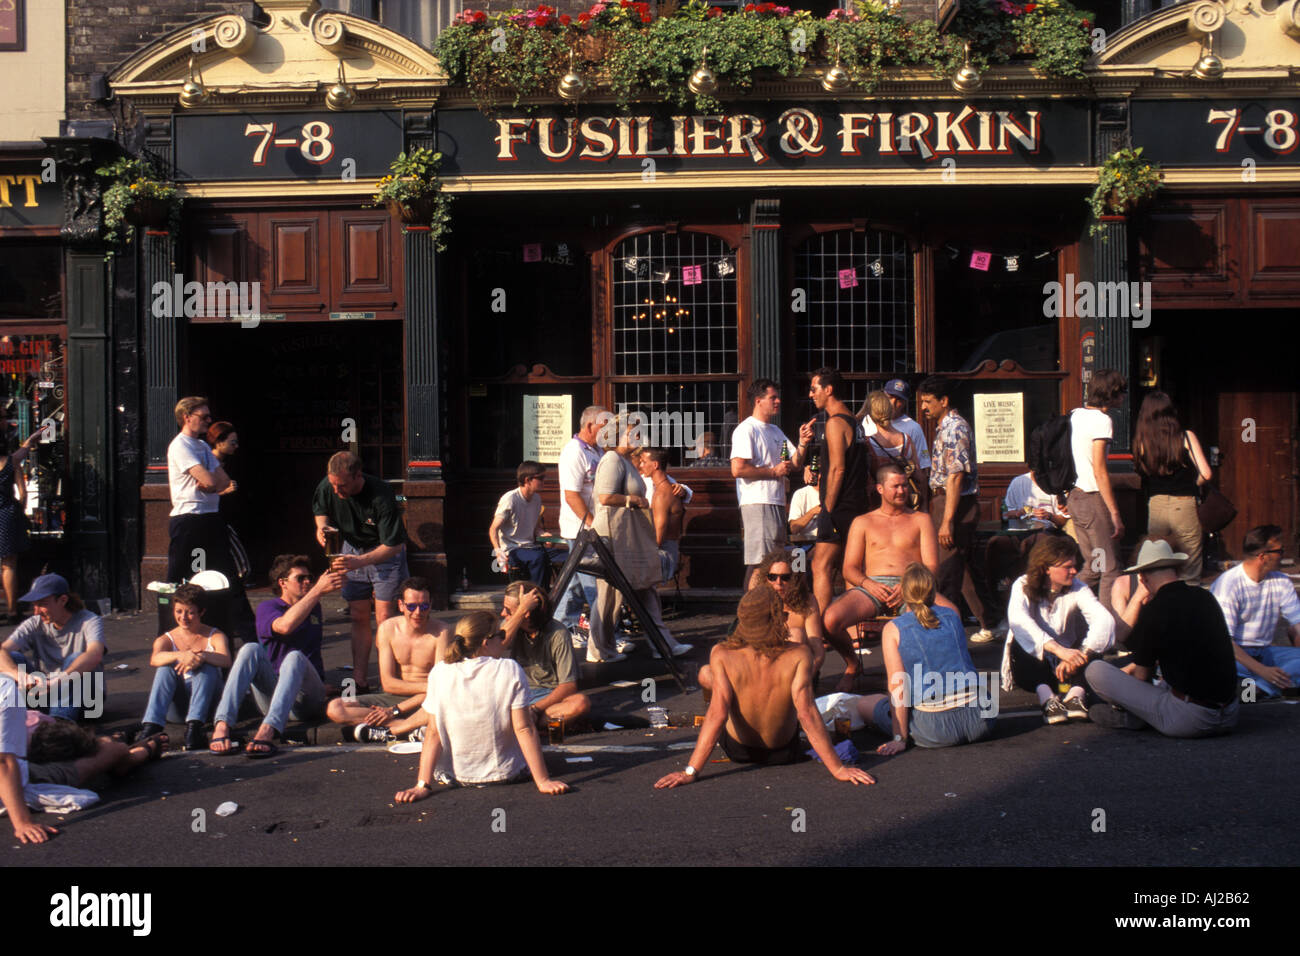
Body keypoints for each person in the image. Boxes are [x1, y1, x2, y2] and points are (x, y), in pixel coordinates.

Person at [654, 587, 875, 787]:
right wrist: (837, 768)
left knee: (709, 677)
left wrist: (690, 771)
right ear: (779, 618)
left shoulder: (722, 653)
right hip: (783, 752)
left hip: (738, 750)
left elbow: (717, 714)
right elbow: (806, 714)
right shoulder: (799, 654)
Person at [394, 611, 568, 799]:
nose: (503, 639)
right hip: (506, 773)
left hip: (454, 775)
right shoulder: (509, 668)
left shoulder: (440, 671)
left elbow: (433, 733)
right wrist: (543, 781)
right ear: (486, 642)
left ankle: (401, 731)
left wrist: (422, 785)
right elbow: (524, 728)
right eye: (500, 635)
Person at [1085, 540, 1239, 735]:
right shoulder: (1205, 597)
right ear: (1175, 569)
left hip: (1190, 718)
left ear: (1143, 579)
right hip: (1230, 714)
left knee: (1095, 670)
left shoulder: (1154, 610)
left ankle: (1135, 717)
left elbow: (1142, 676)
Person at [822, 464, 949, 693]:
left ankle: (928, 673)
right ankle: (852, 665)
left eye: (904, 486)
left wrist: (909, 586)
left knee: (952, 614)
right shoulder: (863, 521)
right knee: (830, 620)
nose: (902, 491)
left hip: (912, 586)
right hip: (872, 587)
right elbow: (849, 568)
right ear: (880, 489)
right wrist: (868, 583)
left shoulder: (921, 519)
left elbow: (931, 566)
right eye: (896, 486)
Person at [850, 563, 996, 751]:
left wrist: (899, 738)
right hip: (982, 718)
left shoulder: (894, 629)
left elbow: (898, 687)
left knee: (864, 704)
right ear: (934, 591)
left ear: (903, 593)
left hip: (936, 728)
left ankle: (902, 728)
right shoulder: (952, 615)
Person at [209, 555, 344, 757]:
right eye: (300, 578)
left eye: (310, 578)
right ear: (283, 583)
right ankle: (222, 724)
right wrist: (317, 590)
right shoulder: (268, 608)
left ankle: (267, 731)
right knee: (250, 649)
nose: (307, 582)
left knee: (295, 657)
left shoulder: (313, 606)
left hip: (306, 699)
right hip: (273, 697)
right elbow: (284, 626)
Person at [589, 416, 692, 662]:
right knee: (610, 596)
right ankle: (599, 650)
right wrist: (632, 500)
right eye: (634, 433)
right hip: (613, 537)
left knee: (645, 589)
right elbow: (604, 497)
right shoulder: (612, 459)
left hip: (629, 536)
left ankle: (663, 644)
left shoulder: (624, 461)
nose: (639, 438)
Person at [313, 451, 408, 693]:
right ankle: (360, 678)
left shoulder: (381, 493)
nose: (336, 491)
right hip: (350, 547)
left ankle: (391, 679)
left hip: (382, 551)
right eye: (333, 484)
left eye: (342, 485)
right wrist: (322, 530)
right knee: (358, 615)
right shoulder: (329, 484)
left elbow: (394, 544)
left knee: (385, 618)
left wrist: (360, 562)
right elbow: (320, 513)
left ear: (357, 476)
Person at [1000, 535, 1115, 724]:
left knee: (1095, 646)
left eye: (1074, 565)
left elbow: (1104, 620)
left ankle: (1075, 697)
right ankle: (1048, 700)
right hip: (1032, 665)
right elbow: (1018, 620)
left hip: (1067, 666)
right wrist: (1059, 650)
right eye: (1067, 566)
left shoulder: (1079, 588)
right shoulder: (1022, 584)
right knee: (1022, 641)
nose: (1074, 571)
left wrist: (1080, 656)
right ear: (1046, 568)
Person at [918, 376, 997, 644]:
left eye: (928, 402)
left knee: (947, 570)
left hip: (954, 504)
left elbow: (955, 477)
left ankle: (946, 635)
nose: (923, 407)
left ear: (944, 401)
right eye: (922, 402)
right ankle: (991, 620)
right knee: (962, 569)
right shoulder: (945, 427)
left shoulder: (954, 429)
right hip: (946, 502)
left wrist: (947, 521)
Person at [325, 576, 449, 743]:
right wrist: (394, 708)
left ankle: (396, 729)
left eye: (424, 606)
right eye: (411, 606)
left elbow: (440, 689)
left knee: (444, 703)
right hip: (395, 696)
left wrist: (393, 711)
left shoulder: (442, 632)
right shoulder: (388, 629)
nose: (418, 612)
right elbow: (388, 683)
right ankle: (411, 729)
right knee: (336, 708)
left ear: (431, 605)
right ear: (401, 605)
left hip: (427, 700)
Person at [731, 378, 812, 587]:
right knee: (760, 563)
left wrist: (803, 443)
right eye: (772, 397)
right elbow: (738, 469)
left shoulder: (775, 432)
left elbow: (794, 463)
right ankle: (750, 613)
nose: (778, 401)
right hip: (757, 502)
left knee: (773, 561)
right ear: (758, 400)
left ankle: (763, 609)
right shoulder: (746, 429)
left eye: (778, 397)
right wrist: (773, 471)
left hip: (775, 502)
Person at [138, 583, 232, 751]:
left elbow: (226, 660)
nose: (184, 617)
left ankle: (195, 728)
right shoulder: (166, 639)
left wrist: (201, 656)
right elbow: (154, 659)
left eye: (190, 612)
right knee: (165, 668)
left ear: (201, 612)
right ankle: (151, 726)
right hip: (179, 708)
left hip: (209, 704)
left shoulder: (215, 635)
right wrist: (180, 655)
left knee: (206, 666)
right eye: (179, 611)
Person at [1210, 524, 1300, 699]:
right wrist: (1263, 671)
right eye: (1279, 552)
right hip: (1234, 655)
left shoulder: (1282, 581)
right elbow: (1224, 641)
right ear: (1263, 557)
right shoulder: (1229, 585)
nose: (1283, 556)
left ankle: (1255, 690)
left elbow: (1297, 624)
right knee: (1214, 668)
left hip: (1265, 652)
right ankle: (1267, 686)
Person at [0, 574, 105, 721]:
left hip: (87, 699)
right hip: (46, 693)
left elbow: (95, 654)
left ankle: (59, 722)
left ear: (62, 600)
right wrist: (19, 675)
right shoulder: (35, 622)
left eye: (42, 604)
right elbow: (2, 651)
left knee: (77, 658)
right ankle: (7, 717)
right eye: (34, 605)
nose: (36, 611)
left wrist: (60, 679)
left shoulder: (89, 620)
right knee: (10, 658)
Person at [1133, 391, 1212, 583]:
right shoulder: (1185, 437)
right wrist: (1193, 485)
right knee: (1190, 564)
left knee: (1158, 561)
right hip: (1184, 504)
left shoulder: (1141, 442)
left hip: (1156, 505)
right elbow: (1206, 473)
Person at [1068, 369, 1128, 611]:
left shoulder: (1074, 415)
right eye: (1121, 391)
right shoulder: (1102, 421)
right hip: (1093, 497)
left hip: (1074, 495)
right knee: (1110, 568)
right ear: (1111, 393)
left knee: (1093, 565)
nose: (1124, 396)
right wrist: (1114, 512)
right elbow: (1100, 470)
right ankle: (1107, 633)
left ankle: (1058, 609)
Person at [553, 405, 608, 649]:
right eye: (605, 428)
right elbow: (572, 495)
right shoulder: (574, 452)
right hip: (582, 530)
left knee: (574, 581)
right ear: (588, 426)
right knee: (595, 583)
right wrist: (592, 525)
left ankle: (562, 628)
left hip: (591, 527)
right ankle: (605, 636)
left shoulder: (597, 450)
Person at [502, 580, 594, 727]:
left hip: (546, 697)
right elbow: (499, 644)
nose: (503, 614)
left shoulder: (558, 633)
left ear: (527, 614)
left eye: (507, 610)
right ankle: (530, 724)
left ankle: (522, 723)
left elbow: (568, 686)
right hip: (516, 694)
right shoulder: (512, 628)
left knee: (580, 703)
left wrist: (535, 709)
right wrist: (519, 612)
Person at [166, 397, 234, 586]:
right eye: (204, 416)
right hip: (190, 518)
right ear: (187, 417)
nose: (209, 421)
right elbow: (212, 480)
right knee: (185, 575)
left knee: (219, 574)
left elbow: (224, 482)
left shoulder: (203, 446)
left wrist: (210, 483)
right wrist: (211, 482)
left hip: (210, 516)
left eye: (209, 416)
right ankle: (174, 613)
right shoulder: (180, 445)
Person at [985, 469, 1072, 613]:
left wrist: (1049, 516)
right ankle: (995, 600)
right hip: (1017, 530)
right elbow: (1006, 514)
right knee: (995, 543)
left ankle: (1038, 596)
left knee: (1038, 543)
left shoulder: (1055, 484)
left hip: (1046, 531)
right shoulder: (1018, 482)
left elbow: (1062, 520)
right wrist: (1021, 513)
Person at [0, 672, 59, 845]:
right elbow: (3, 762)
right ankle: (137, 750)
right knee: (103, 754)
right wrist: (22, 822)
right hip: (15, 777)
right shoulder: (4, 688)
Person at [489, 461, 565, 586]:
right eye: (540, 478)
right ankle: (537, 596)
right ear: (528, 480)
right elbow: (493, 529)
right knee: (539, 557)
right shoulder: (510, 499)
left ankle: (560, 595)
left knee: (568, 557)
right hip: (514, 548)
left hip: (532, 547)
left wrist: (544, 534)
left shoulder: (536, 499)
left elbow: (535, 528)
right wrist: (498, 551)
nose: (544, 481)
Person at [0, 432, 38, 623]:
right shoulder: (10, 462)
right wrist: (20, 512)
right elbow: (22, 494)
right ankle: (13, 610)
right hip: (7, 515)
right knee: (9, 564)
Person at [863, 389, 923, 509]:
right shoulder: (906, 440)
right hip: (903, 503)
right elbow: (919, 475)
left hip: (878, 505)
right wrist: (924, 505)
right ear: (890, 411)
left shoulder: (868, 443)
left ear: (871, 414)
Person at [882, 378, 931, 493]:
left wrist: (923, 504)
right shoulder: (868, 422)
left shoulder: (913, 428)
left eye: (899, 400)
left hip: (901, 492)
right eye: (890, 397)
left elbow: (922, 469)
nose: (893, 403)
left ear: (905, 403)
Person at [788, 465, 821, 544]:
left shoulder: (835, 494)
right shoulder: (801, 494)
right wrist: (813, 511)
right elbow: (794, 528)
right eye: (817, 471)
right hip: (806, 543)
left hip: (830, 542)